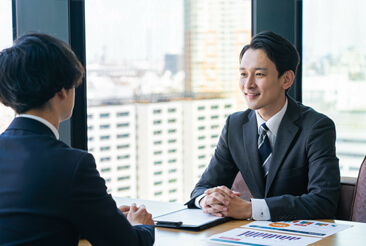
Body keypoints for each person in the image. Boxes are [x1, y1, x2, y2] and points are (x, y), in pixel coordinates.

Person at [0, 33, 154, 245]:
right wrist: (141, 225)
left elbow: (25, 224)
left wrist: (98, 218)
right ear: (62, 91)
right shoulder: (72, 164)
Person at [185, 31, 340, 221]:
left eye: (259, 74)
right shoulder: (235, 125)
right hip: (249, 235)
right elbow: (202, 187)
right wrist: (207, 200)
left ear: (286, 79)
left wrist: (251, 210)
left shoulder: (316, 127)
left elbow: (323, 201)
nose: (248, 84)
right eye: (243, 74)